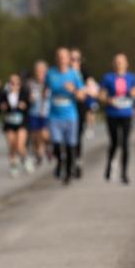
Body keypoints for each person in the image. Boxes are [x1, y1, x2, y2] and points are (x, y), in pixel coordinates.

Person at [45, 47, 86, 185]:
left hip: (70, 115)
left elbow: (82, 96)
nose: (62, 59)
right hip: (54, 116)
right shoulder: (50, 73)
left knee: (70, 146)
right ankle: (60, 161)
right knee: (56, 144)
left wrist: (73, 90)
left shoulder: (74, 74)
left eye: (64, 56)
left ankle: (68, 173)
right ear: (56, 58)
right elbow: (45, 88)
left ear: (69, 59)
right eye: (59, 56)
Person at [100, 53, 135, 185]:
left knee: (125, 144)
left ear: (126, 63)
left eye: (121, 62)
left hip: (126, 114)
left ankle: (124, 174)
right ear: (113, 64)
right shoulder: (108, 78)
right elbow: (101, 95)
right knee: (114, 143)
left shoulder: (132, 78)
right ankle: (109, 165)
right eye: (117, 62)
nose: (119, 64)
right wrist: (108, 99)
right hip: (112, 113)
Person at [0, 73, 30, 177]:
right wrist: (2, 106)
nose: (14, 85)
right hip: (9, 123)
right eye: (12, 83)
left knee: (20, 145)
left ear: (19, 84)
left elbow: (30, 105)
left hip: (21, 122)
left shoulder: (24, 93)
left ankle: (25, 158)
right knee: (12, 145)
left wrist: (25, 105)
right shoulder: (5, 94)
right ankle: (13, 166)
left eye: (16, 83)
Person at [26, 60, 51, 171]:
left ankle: (47, 147)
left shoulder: (50, 83)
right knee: (35, 136)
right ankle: (39, 154)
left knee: (44, 134)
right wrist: (29, 98)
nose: (40, 72)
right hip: (34, 112)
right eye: (38, 70)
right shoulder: (30, 84)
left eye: (42, 70)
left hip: (47, 113)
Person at [70, 48, 90, 178]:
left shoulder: (85, 73)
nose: (74, 62)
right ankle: (65, 160)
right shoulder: (61, 73)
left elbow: (91, 89)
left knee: (77, 136)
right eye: (72, 59)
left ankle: (77, 160)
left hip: (79, 109)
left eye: (77, 59)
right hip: (62, 111)